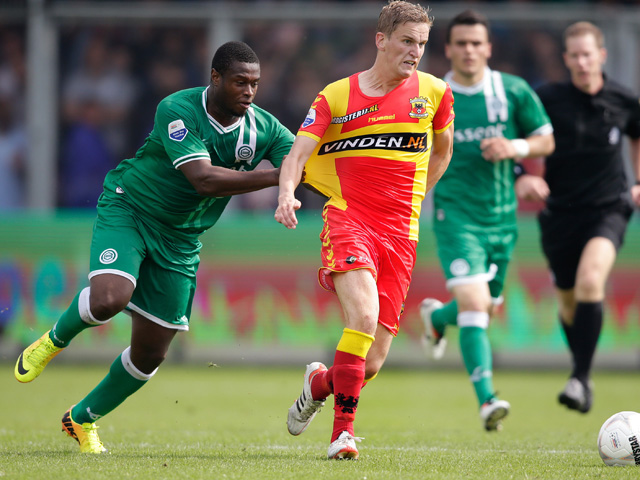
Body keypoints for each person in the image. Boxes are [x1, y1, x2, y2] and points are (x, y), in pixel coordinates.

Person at [14, 41, 294, 453]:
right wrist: (274, 178)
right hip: (131, 208)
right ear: (215, 78)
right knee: (111, 297)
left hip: (181, 239)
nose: (249, 92)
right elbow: (203, 179)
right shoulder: (177, 109)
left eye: (254, 83)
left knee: (150, 353)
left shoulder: (264, 127)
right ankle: (54, 340)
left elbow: (302, 159)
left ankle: (80, 419)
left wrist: (316, 174)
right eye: (239, 82)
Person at [275, 0, 454, 460]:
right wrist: (287, 192)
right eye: (407, 41)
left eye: (422, 44)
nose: (415, 52)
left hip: (401, 234)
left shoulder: (434, 93)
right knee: (361, 319)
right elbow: (296, 155)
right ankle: (343, 435)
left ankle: (319, 384)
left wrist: (419, 197)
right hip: (349, 219)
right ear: (381, 40)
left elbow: (443, 149)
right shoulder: (336, 96)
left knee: (370, 362)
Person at [418, 9, 554, 431]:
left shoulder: (511, 91)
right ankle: (487, 400)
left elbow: (545, 139)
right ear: (448, 49)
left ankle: (438, 319)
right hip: (455, 215)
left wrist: (515, 151)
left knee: (482, 309)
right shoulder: (432, 95)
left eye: (477, 43)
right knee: (477, 307)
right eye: (461, 43)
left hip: (502, 221)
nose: (469, 50)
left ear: (488, 48)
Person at [516, 21, 640, 414]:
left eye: (589, 54)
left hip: (609, 208)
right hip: (559, 215)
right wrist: (525, 177)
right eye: (575, 55)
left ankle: (580, 379)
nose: (583, 61)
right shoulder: (547, 98)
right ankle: (579, 373)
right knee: (569, 304)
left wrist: (638, 182)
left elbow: (637, 134)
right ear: (566, 59)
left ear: (601, 56)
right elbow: (516, 137)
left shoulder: (623, 99)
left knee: (591, 282)